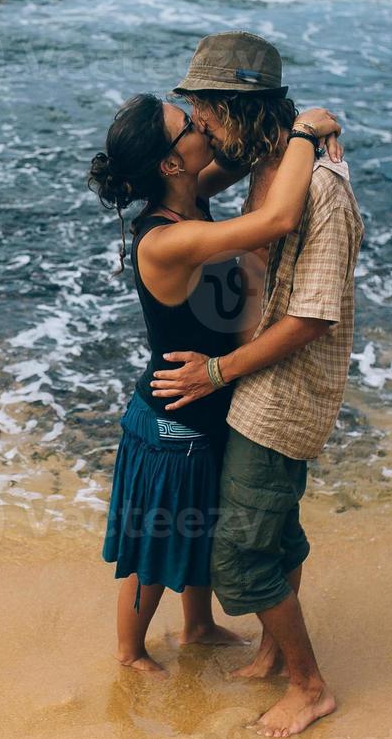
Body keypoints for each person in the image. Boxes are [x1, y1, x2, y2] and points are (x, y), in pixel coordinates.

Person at [87, 87, 342, 675]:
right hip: (173, 414)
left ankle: (197, 626)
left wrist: (272, 127)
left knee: (197, 519)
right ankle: (129, 653)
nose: (204, 125)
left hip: (206, 396)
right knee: (156, 545)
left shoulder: (192, 194)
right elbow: (274, 221)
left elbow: (246, 153)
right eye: (190, 125)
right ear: (172, 162)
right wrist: (306, 132)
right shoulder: (167, 238)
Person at [152, 31, 364, 735]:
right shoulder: (265, 161)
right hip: (256, 380)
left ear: (239, 107)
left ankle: (310, 686)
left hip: (283, 390)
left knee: (240, 561)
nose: (201, 129)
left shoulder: (322, 190)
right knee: (276, 532)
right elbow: (193, 192)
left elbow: (312, 317)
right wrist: (305, 127)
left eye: (205, 113)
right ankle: (275, 654)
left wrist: (216, 372)